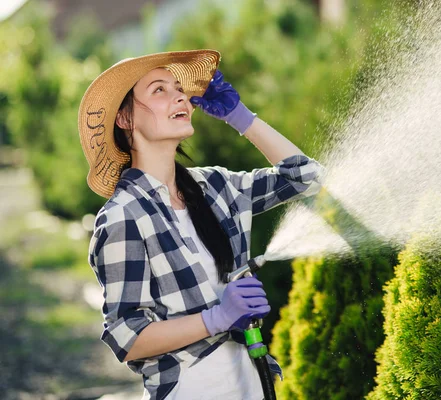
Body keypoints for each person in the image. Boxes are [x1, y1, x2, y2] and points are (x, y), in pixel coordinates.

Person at [78, 50, 323, 400]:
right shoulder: (124, 216)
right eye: (159, 90)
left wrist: (241, 117)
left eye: (179, 88)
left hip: (250, 381)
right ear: (125, 119)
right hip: (190, 388)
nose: (179, 96)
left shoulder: (216, 188)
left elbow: (305, 177)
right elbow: (127, 337)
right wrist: (217, 318)